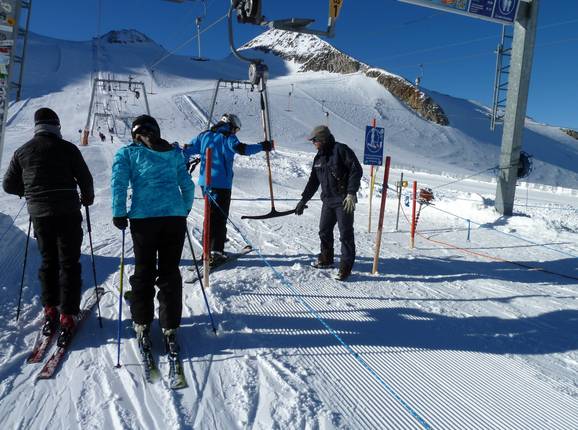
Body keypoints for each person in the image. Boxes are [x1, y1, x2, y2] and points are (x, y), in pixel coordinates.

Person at [2, 108, 94, 346]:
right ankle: (68, 314)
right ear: (56, 126)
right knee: (69, 262)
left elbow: (8, 185)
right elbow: (85, 178)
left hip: (40, 214)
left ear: (37, 127)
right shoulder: (68, 149)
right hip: (68, 212)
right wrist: (87, 198)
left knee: (48, 261)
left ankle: (50, 309)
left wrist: (29, 192)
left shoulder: (22, 151)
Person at [111, 114, 194, 356]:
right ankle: (170, 327)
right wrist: (184, 208)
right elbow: (187, 184)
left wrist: (119, 212)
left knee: (144, 270)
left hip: (143, 220)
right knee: (169, 271)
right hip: (174, 218)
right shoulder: (172, 152)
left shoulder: (127, 153)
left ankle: (142, 322)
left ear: (134, 134)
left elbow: (119, 183)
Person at [181, 113, 272, 266]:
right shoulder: (228, 137)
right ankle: (216, 252)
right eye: (236, 129)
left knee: (210, 214)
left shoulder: (204, 135)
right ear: (231, 126)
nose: (235, 132)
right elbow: (242, 149)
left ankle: (209, 250)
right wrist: (263, 146)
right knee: (219, 217)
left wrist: (184, 167)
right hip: (221, 184)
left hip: (205, 182)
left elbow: (186, 149)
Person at [294, 125, 362, 281]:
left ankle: (345, 267)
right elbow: (313, 182)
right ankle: (326, 259)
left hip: (344, 200)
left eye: (314, 140)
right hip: (328, 201)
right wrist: (303, 200)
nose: (313, 143)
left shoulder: (341, 150)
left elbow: (356, 170)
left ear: (322, 139)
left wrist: (351, 193)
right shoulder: (318, 158)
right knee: (324, 231)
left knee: (345, 234)